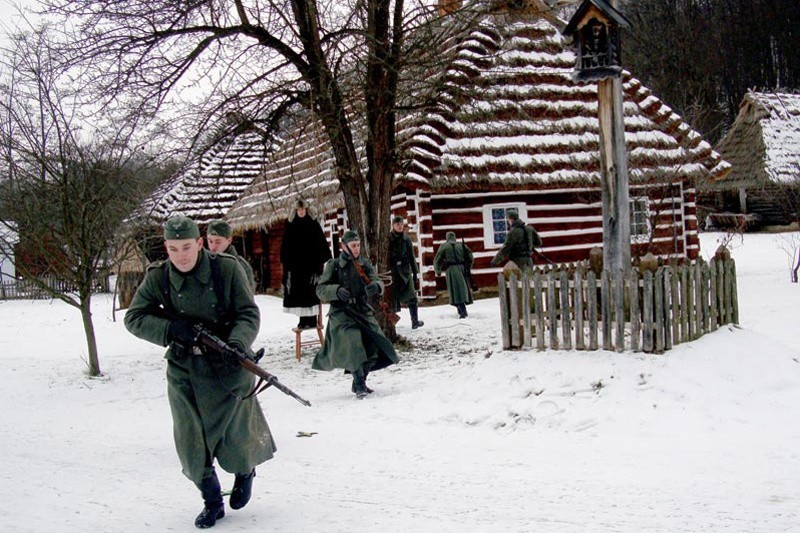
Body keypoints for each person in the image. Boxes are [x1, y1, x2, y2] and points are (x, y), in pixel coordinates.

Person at [124, 216, 276, 529]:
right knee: (190, 437)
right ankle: (212, 501)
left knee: (235, 433)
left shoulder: (226, 269)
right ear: (166, 248)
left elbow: (247, 313)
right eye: (173, 248)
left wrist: (235, 343)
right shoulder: (159, 277)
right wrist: (169, 329)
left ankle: (245, 471)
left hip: (228, 365)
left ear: (200, 243)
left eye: (187, 247)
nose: (181, 255)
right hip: (184, 369)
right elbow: (135, 317)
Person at [312, 230, 399, 399]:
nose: (357, 249)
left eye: (358, 245)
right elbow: (320, 290)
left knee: (374, 344)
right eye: (353, 246)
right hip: (342, 313)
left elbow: (377, 280)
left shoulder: (364, 264)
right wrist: (336, 291)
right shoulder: (334, 265)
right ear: (344, 247)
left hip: (362, 310)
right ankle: (359, 384)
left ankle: (360, 381)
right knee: (353, 343)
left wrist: (376, 287)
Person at [280, 199, 332, 329]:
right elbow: (285, 246)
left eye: (303, 209)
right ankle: (303, 320)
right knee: (299, 294)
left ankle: (313, 319)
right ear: (296, 210)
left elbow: (321, 243)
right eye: (299, 209)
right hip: (296, 268)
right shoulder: (291, 226)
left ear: (306, 210)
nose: (301, 212)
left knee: (311, 293)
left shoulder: (313, 225)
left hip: (311, 267)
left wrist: (322, 261)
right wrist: (287, 264)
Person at [388, 215, 424, 329]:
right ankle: (390, 326)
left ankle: (415, 321)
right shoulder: (388, 238)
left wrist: (415, 273)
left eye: (401, 224)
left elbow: (412, 257)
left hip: (405, 271)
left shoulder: (407, 239)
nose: (400, 226)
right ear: (393, 225)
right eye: (397, 224)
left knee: (412, 297)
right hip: (393, 272)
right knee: (392, 299)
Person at [206, 219, 256, 293]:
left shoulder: (240, 266)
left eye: (218, 242)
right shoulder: (204, 263)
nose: (213, 246)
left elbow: (247, 298)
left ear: (229, 240)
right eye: (210, 241)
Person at [433, 231, 475, 319]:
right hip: (462, 269)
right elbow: (470, 256)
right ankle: (461, 310)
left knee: (455, 291)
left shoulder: (444, 246)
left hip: (451, 270)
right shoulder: (461, 245)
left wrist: (438, 271)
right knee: (462, 289)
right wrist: (468, 267)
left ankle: (462, 311)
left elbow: (437, 259)